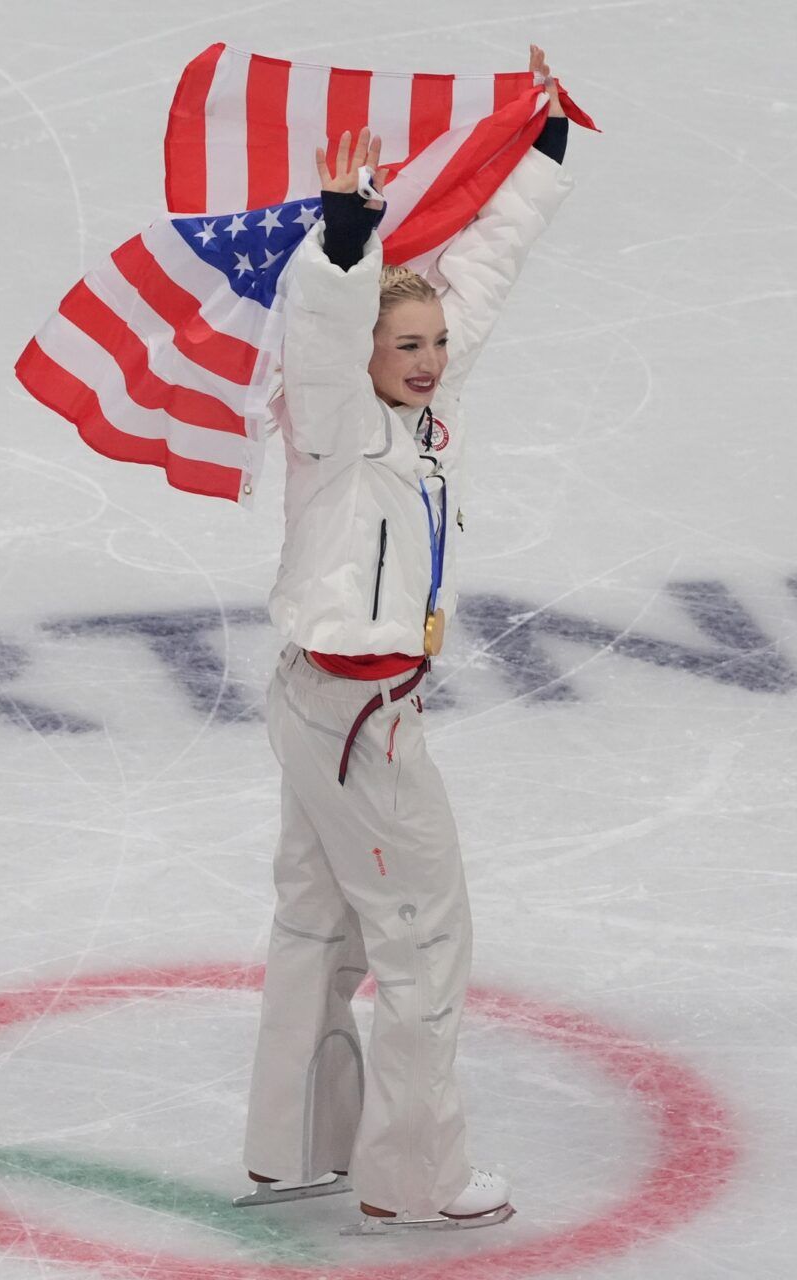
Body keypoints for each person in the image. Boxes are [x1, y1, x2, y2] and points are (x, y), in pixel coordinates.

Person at [236, 46, 576, 1234]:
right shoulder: (334, 424)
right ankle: (413, 1178)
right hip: (356, 721)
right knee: (424, 941)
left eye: (434, 345)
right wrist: (344, 236)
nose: (429, 362)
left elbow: (483, 271)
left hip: (319, 708)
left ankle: (298, 1144)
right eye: (409, 347)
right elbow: (328, 329)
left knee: (317, 919)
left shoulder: (424, 405)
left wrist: (544, 147)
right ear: (367, 360)